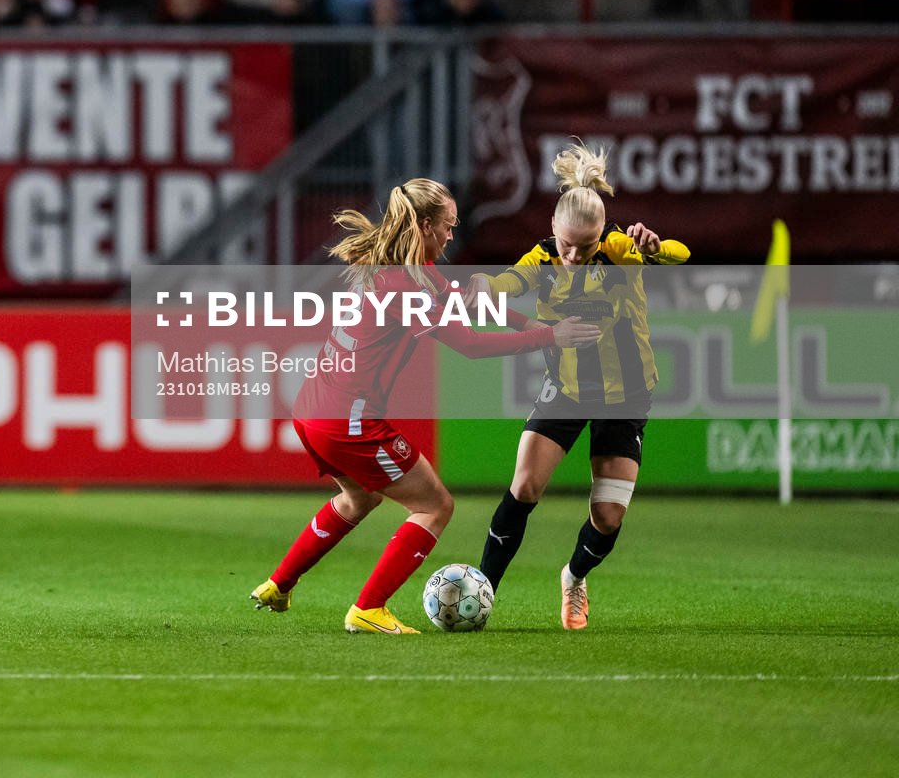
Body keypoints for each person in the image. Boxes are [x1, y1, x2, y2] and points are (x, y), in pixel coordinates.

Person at [250, 178, 599, 634]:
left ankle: (278, 584)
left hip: (312, 410)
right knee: (435, 506)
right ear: (423, 224)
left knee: (358, 498)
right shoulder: (406, 286)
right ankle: (368, 609)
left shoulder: (402, 268)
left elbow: (460, 303)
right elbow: (469, 345)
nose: (452, 235)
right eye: (448, 226)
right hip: (349, 421)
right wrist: (549, 337)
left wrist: (526, 323)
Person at [475, 142, 688, 630]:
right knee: (524, 486)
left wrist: (656, 247)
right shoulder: (543, 258)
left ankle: (574, 577)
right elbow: (509, 281)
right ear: (553, 226)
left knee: (608, 517)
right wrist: (484, 284)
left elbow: (681, 254)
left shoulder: (621, 251)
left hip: (626, 396)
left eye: (585, 246)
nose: (573, 255)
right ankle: (482, 593)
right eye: (566, 243)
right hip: (567, 390)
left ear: (602, 234)